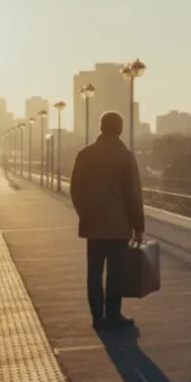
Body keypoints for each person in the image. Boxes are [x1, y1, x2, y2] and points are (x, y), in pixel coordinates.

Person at [70, 111, 145, 331]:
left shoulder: (85, 154)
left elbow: (75, 190)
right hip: (118, 226)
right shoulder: (125, 156)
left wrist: (84, 213)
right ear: (119, 129)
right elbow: (133, 195)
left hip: (93, 224)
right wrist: (138, 226)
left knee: (94, 272)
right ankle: (113, 315)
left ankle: (97, 316)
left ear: (101, 127)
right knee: (115, 273)